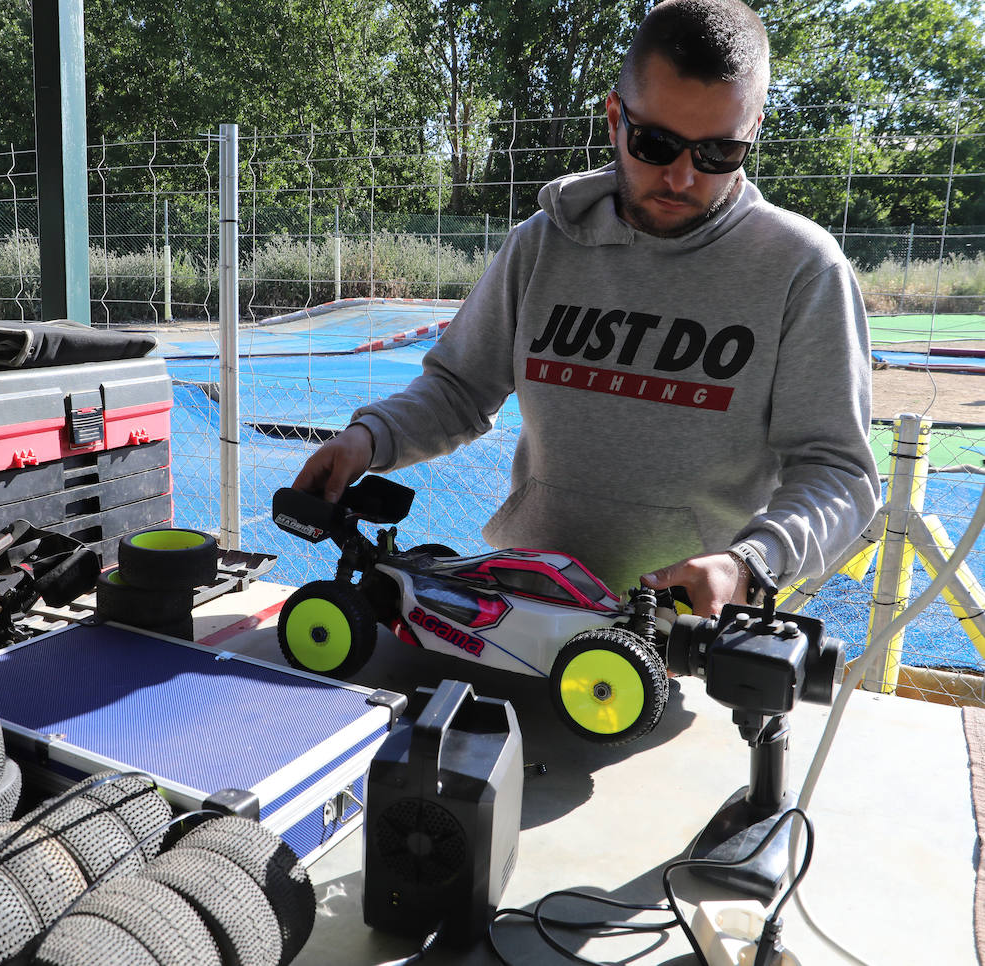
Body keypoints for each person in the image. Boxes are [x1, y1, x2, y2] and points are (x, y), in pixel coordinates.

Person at [292, 0, 881, 616]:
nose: (681, 178)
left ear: (753, 130)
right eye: (656, 143)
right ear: (613, 118)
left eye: (717, 154)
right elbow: (460, 391)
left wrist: (751, 562)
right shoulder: (542, 244)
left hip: (681, 631)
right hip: (520, 607)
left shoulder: (801, 268)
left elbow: (838, 470)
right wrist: (369, 438)